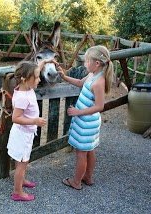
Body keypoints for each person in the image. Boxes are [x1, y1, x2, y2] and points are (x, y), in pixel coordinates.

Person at [57, 45, 114, 190]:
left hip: (87, 122)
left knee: (81, 153)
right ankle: (88, 177)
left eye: (87, 61)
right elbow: (80, 83)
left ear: (96, 63)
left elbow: (100, 106)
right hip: (85, 121)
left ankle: (76, 182)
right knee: (89, 150)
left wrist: (77, 112)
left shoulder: (98, 82)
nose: (84, 64)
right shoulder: (92, 75)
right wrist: (64, 76)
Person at [7, 60, 46, 201]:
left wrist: (44, 62)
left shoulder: (25, 88)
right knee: (22, 165)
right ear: (25, 79)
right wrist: (35, 121)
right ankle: (18, 192)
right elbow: (15, 118)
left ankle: (21, 181)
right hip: (23, 135)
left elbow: (34, 69)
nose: (39, 79)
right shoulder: (23, 97)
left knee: (21, 161)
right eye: (36, 77)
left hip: (23, 134)